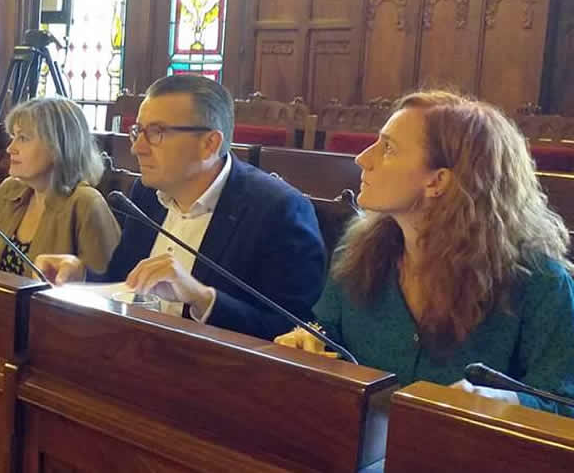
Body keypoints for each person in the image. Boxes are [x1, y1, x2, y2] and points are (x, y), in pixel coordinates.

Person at [275, 91, 574, 417]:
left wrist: (501, 403)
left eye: (388, 148)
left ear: (438, 181)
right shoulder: (357, 249)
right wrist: (308, 341)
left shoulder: (541, 283)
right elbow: (328, 331)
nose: (363, 158)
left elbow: (562, 403)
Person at [36, 75, 326, 340]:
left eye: (156, 132)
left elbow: (297, 333)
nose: (138, 147)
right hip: (132, 352)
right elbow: (124, 286)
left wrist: (202, 298)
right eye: (138, 131)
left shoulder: (278, 211)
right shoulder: (145, 195)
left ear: (209, 144)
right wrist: (82, 276)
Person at [0, 98, 120, 277]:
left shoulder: (87, 203)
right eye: (13, 137)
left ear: (58, 146)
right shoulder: (8, 191)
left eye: (23, 138)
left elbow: (107, 284)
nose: (10, 148)